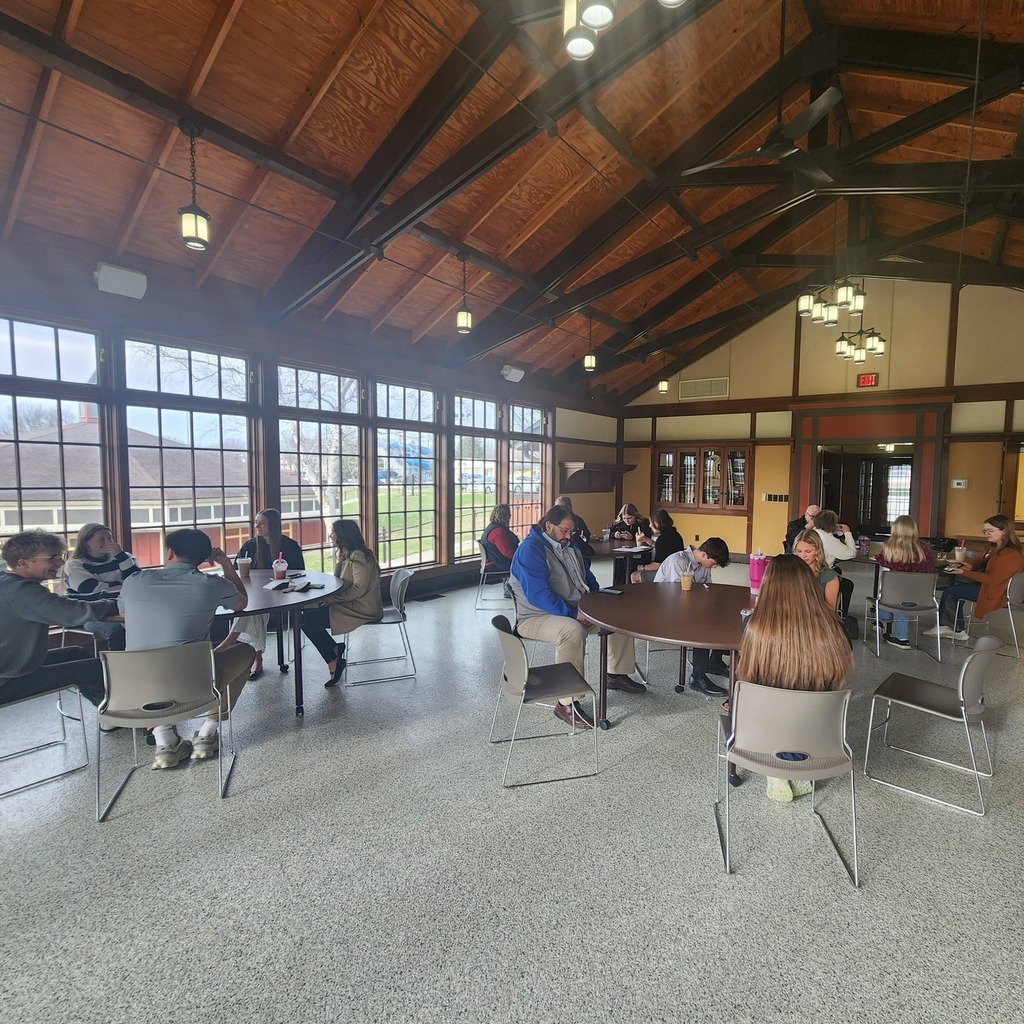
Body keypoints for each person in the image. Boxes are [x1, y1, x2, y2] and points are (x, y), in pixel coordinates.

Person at [118, 528, 252, 769]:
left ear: (169, 552)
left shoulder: (134, 581)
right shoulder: (210, 584)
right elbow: (242, 602)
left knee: (156, 666)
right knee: (245, 651)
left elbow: (123, 613)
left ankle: (165, 741)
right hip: (193, 686)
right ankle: (208, 733)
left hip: (132, 689)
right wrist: (225, 564)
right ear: (203, 558)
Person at [735, 554, 854, 803]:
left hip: (763, 733)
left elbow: (747, 676)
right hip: (819, 731)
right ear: (810, 587)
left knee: (749, 698)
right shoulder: (835, 628)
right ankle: (798, 767)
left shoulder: (753, 626)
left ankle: (777, 771)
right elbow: (838, 678)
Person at [510, 505, 641, 728]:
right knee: (572, 630)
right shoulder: (531, 549)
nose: (569, 536)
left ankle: (615, 674)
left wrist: (597, 602)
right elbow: (538, 595)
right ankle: (566, 702)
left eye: (572, 532)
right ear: (548, 526)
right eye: (565, 531)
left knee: (618, 617)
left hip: (575, 610)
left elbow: (588, 579)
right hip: (535, 617)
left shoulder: (569, 546)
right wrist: (574, 614)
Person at [0, 530, 119, 709]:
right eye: (52, 558)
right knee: (93, 668)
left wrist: (107, 597)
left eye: (60, 556)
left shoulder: (8, 581)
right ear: (23, 563)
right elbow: (75, 612)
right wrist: (115, 603)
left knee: (76, 653)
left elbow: (59, 602)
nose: (61, 562)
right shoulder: (23, 592)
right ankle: (113, 714)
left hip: (15, 665)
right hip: (8, 680)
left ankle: (106, 709)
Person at [220, 509, 304, 679]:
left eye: (262, 522)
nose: (257, 526)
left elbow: (300, 573)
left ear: (273, 525)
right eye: (256, 522)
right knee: (254, 608)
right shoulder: (250, 546)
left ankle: (236, 644)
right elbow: (236, 572)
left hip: (283, 594)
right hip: (257, 594)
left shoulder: (289, 546)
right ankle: (255, 657)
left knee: (253, 607)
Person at [301, 520, 384, 685]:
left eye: (333, 532)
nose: (331, 535)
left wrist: (333, 599)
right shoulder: (349, 554)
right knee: (307, 616)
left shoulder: (358, 556)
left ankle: (333, 659)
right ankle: (334, 650)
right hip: (352, 605)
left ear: (342, 536)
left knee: (305, 620)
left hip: (362, 609)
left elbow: (359, 588)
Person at [653, 537, 732, 695]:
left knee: (724, 614)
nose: (714, 567)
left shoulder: (703, 564)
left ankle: (714, 662)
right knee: (702, 625)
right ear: (704, 555)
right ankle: (697, 678)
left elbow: (708, 588)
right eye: (714, 563)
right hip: (665, 609)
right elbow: (679, 596)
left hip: (688, 607)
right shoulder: (678, 562)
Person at [928, 514, 1024, 640]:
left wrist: (964, 572)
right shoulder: (993, 547)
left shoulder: (1010, 554)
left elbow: (993, 579)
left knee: (951, 591)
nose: (987, 534)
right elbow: (980, 564)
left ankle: (950, 627)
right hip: (990, 587)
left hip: (997, 592)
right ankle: (955, 627)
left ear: (1004, 531)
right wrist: (968, 566)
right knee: (955, 590)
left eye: (990, 531)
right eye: (985, 531)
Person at [63, 523, 142, 652]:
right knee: (117, 631)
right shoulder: (75, 565)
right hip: (89, 612)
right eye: (102, 539)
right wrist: (124, 587)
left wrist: (121, 557)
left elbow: (138, 581)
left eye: (110, 538)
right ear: (86, 542)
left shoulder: (123, 557)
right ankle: (116, 668)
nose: (108, 542)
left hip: (123, 607)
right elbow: (93, 592)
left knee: (146, 622)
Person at [873, 515, 935, 649]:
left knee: (889, 595)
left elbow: (881, 559)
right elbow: (930, 568)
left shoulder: (889, 547)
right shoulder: (924, 548)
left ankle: (892, 630)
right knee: (905, 597)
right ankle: (887, 625)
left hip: (894, 593)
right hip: (921, 595)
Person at [630, 509, 684, 583]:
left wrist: (642, 567)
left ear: (658, 522)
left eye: (651, 523)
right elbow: (663, 548)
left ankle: (639, 594)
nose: (650, 525)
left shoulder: (662, 539)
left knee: (634, 575)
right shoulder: (674, 534)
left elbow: (657, 565)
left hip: (666, 573)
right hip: (677, 570)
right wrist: (646, 540)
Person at [793, 529, 840, 613]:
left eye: (808, 551)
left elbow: (831, 611)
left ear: (817, 551)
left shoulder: (829, 576)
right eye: (799, 551)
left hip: (819, 621)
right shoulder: (791, 573)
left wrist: (808, 593)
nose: (803, 555)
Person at [609, 503, 651, 584]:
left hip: (639, 554)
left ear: (635, 516)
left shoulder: (644, 523)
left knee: (630, 568)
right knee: (619, 567)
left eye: (629, 518)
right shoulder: (619, 523)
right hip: (621, 551)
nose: (627, 521)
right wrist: (614, 535)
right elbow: (609, 532)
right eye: (624, 518)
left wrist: (632, 537)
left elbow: (647, 537)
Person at [479, 503, 519, 573]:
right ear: (504, 516)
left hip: (493, 561)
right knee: (528, 563)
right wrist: (520, 556)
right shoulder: (498, 532)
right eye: (508, 514)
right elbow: (506, 552)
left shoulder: (492, 527)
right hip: (499, 563)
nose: (510, 516)